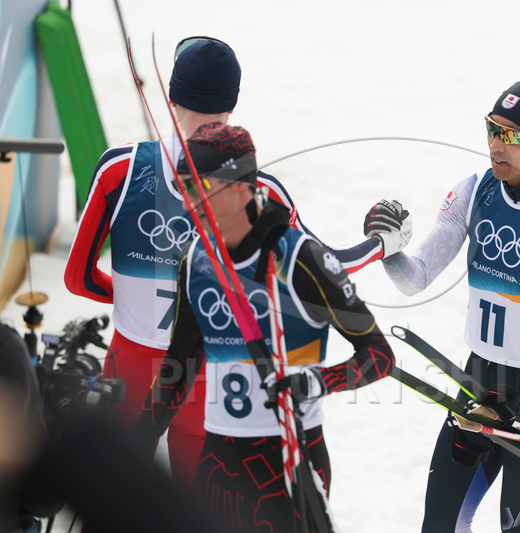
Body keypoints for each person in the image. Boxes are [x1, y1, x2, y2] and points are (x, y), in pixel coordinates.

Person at [64, 37, 394, 487]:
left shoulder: (119, 168)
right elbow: (326, 267)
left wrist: (131, 297)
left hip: (131, 364)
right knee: (198, 510)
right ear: (231, 107)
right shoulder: (258, 189)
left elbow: (77, 278)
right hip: (204, 375)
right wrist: (378, 244)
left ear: (172, 98)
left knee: (110, 499)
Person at [366, 79, 520, 532]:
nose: (496, 144)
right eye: (492, 128)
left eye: (512, 135)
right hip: (478, 381)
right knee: (439, 526)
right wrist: (388, 249)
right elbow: (415, 279)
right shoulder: (474, 191)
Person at [133, 123, 395, 531]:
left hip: (289, 459)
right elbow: (179, 363)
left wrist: (316, 382)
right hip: (218, 460)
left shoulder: (302, 258)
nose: (189, 200)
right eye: (184, 187)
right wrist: (136, 441)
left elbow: (379, 354)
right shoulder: (195, 259)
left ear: (241, 185)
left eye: (201, 186)